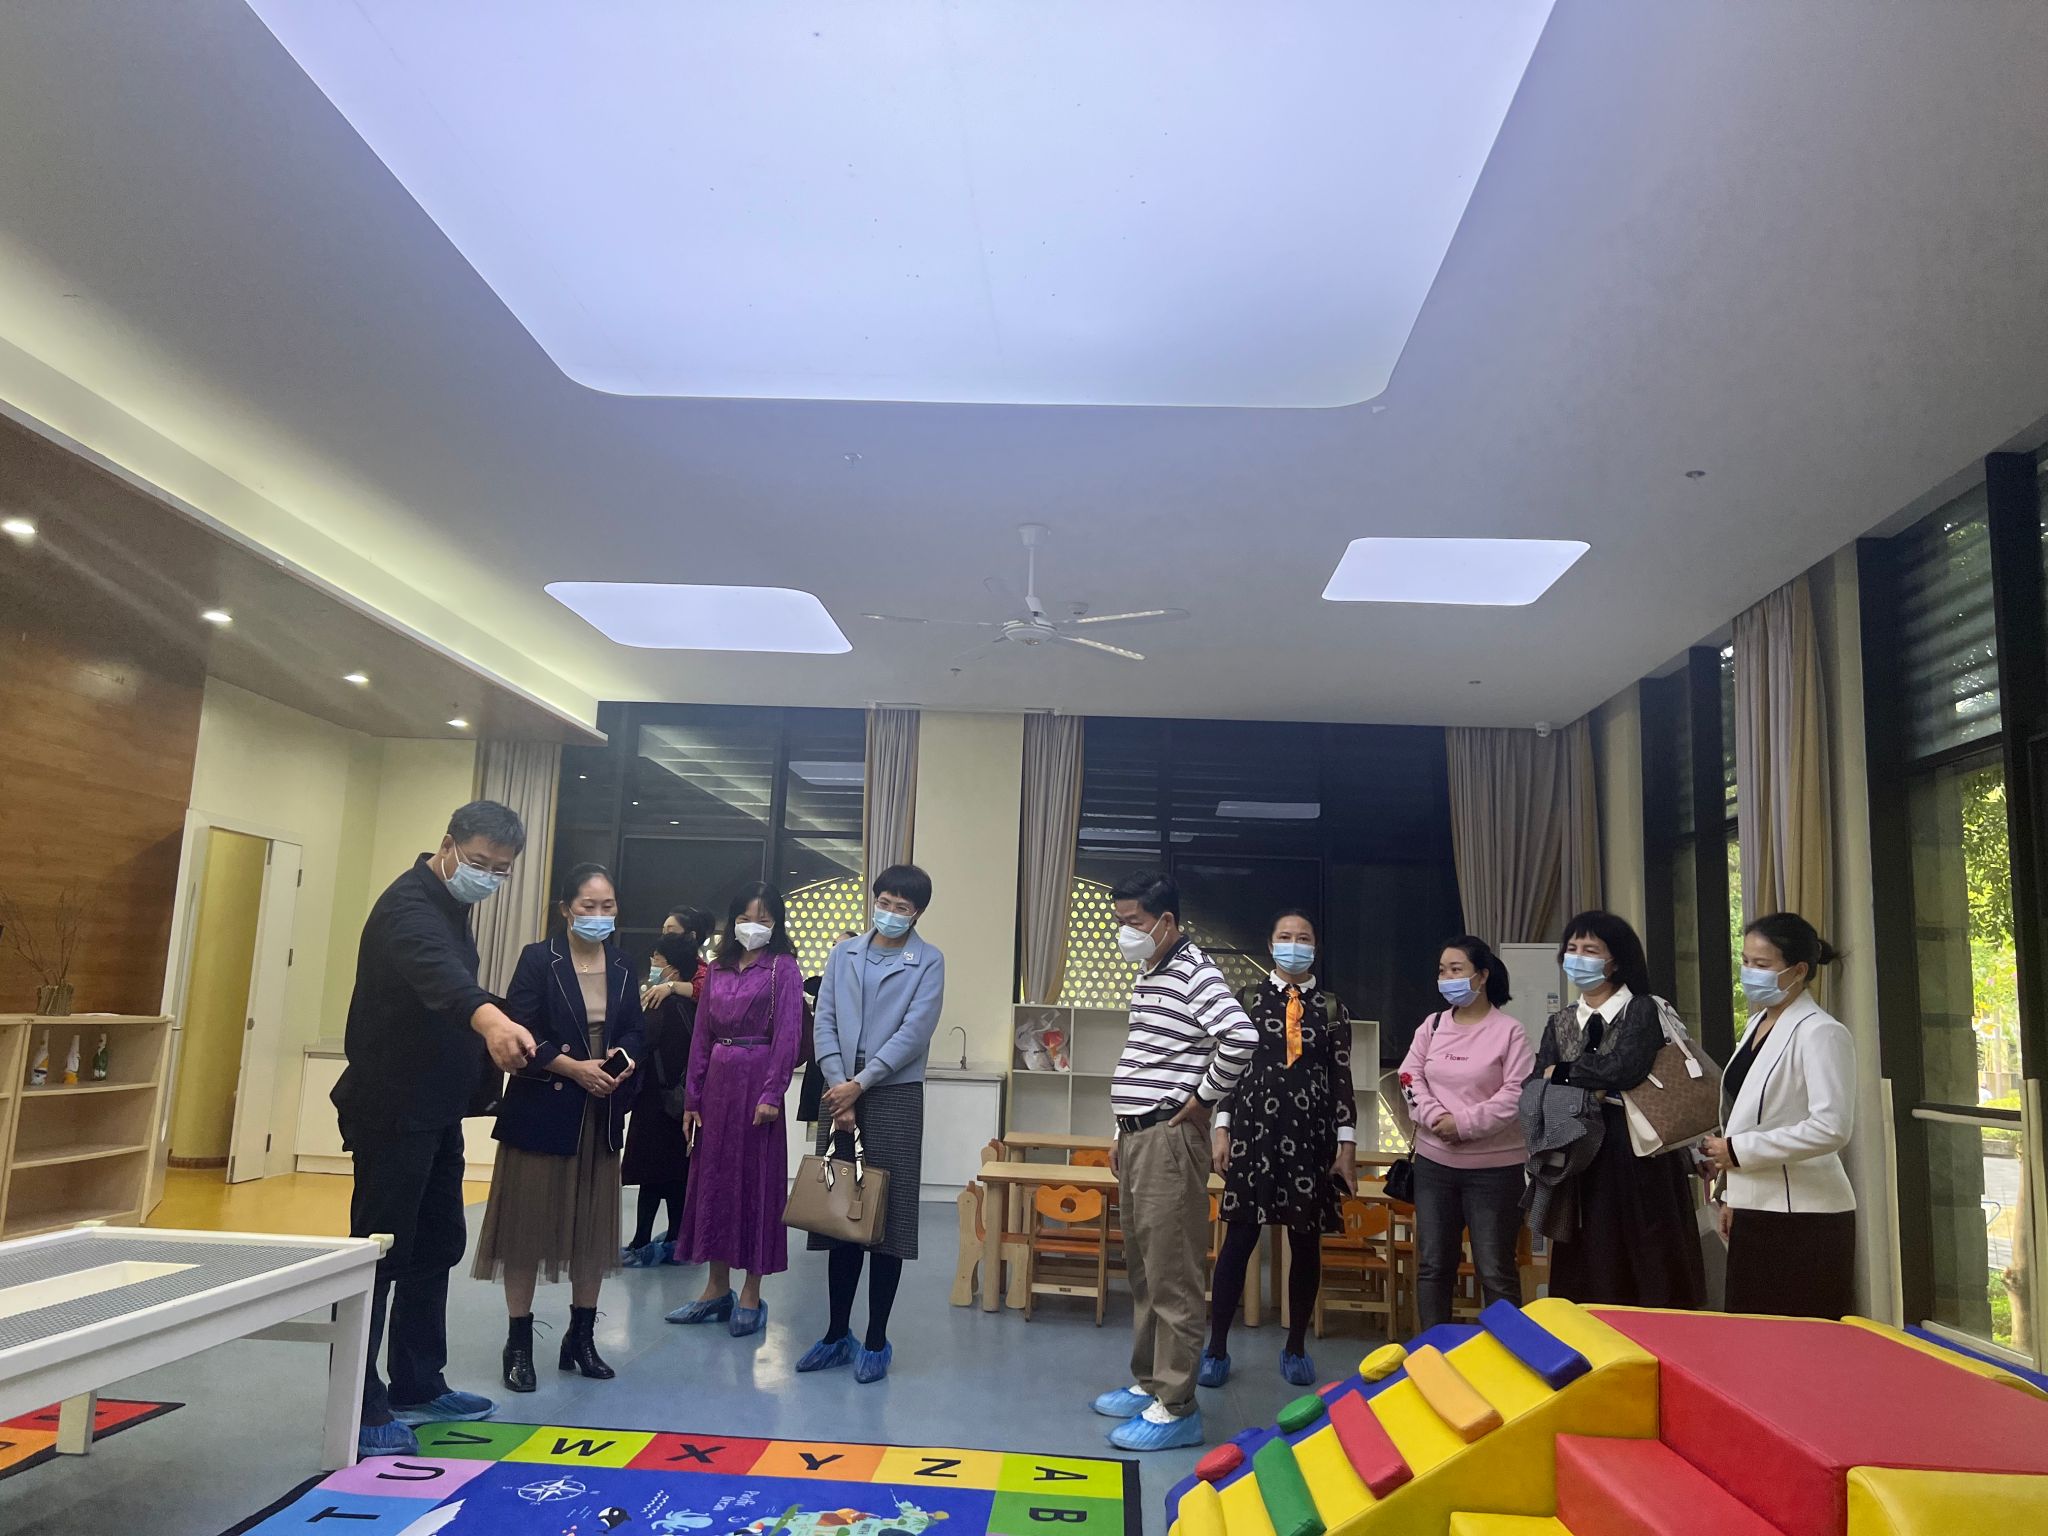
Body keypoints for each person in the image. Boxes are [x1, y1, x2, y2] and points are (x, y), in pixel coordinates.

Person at [331, 800, 538, 1459]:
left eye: (501, 870)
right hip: (392, 1108)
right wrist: (491, 1019)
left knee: (437, 1243)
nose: (488, 877)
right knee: (380, 1253)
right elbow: (439, 977)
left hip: (436, 1109)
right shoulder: (409, 907)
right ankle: (360, 1406)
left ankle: (418, 1381)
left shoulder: (451, 906)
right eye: (479, 862)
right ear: (447, 845)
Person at [1090, 872, 1258, 1452]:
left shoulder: (1193, 971)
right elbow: (1145, 1056)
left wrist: (1205, 1099)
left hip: (1169, 1138)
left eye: (1133, 922)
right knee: (1143, 1270)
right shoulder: (1151, 971)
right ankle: (1150, 1382)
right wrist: (1120, 1129)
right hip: (1139, 1135)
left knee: (1173, 1275)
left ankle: (1179, 1406)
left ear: (1166, 921)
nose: (1125, 932)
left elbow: (1240, 1038)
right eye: (1120, 922)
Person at [473, 863, 643, 1390]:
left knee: (592, 1230)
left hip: (600, 1110)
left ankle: (581, 1338)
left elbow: (635, 1029)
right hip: (544, 1108)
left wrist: (623, 1061)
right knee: (525, 1229)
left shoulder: (622, 962)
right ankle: (518, 1343)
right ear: (567, 909)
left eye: (608, 906)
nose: (599, 915)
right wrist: (575, 1069)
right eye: (588, 906)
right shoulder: (537, 958)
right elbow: (520, 1028)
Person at [794, 869, 946, 1383]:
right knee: (838, 1213)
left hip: (893, 1092)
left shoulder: (928, 961)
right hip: (837, 1089)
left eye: (902, 906)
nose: (890, 912)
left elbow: (915, 1031)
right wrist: (840, 1085)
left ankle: (876, 1340)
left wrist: (861, 1084)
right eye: (884, 901)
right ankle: (836, 1334)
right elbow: (824, 1020)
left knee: (887, 1218)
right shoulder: (844, 953)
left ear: (917, 912)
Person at [1204, 910, 1357, 1388]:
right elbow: (1229, 1068)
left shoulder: (1332, 1008)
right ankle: (1216, 1348)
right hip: (1254, 1133)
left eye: (1304, 937)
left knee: (1305, 1242)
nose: (1295, 944)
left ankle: (1295, 1347)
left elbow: (1341, 1078)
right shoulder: (1247, 999)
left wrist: (1346, 1143)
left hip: (1311, 1137)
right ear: (1271, 946)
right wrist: (1222, 1128)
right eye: (1286, 937)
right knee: (1239, 1240)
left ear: (1315, 947)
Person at [1534, 910, 1707, 1309]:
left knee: (1648, 1258)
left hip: (1637, 1152)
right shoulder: (1561, 1021)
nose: (1578, 957)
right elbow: (1536, 1083)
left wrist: (1565, 1072)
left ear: (1616, 960)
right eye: (1572, 948)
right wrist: (1580, 1082)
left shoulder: (1642, 1009)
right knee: (1588, 1259)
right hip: (1580, 1152)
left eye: (1590, 949)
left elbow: (1626, 1068)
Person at [665, 883, 805, 1337]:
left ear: (776, 924)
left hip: (757, 1081)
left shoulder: (783, 968)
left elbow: (788, 1034)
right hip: (717, 1085)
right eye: (746, 918)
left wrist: (772, 1093)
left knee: (756, 1183)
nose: (754, 926)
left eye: (764, 919)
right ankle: (714, 1289)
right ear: (733, 921)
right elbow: (701, 1036)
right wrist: (692, 1097)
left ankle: (750, 1293)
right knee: (714, 1182)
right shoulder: (719, 968)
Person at [1701, 912, 1857, 1318]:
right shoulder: (1757, 1023)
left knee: (1797, 1341)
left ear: (1799, 970)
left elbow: (1831, 1128)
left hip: (1804, 1218)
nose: (1750, 972)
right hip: (1756, 1209)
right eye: (1745, 961)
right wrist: (1732, 1195)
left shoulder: (1821, 1032)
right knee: (1751, 1336)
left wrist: (1738, 1151)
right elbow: (1746, 1114)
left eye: (1762, 964)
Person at [1402, 936, 1534, 1330]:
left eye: (1456, 970)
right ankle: (1432, 1350)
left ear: (1483, 976)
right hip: (1434, 1166)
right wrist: (1435, 1117)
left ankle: (1508, 1353)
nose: (1447, 978)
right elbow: (1409, 1076)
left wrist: (1463, 1124)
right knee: (1433, 1265)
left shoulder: (1510, 1032)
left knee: (1495, 1270)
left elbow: (1517, 1095)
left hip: (1495, 1173)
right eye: (1442, 971)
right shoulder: (1432, 1025)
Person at [622, 910, 711, 1267]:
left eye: (657, 961)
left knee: (649, 1177)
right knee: (677, 1175)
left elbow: (638, 1048)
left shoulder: (659, 1005)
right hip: (684, 1101)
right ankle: (676, 1241)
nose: (653, 965)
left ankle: (641, 1242)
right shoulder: (696, 1008)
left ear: (672, 969)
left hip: (654, 1103)